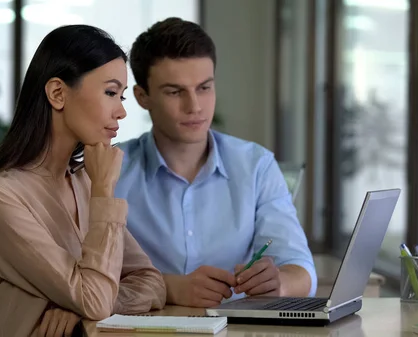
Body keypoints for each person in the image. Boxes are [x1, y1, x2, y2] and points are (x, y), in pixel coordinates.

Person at [0, 25, 166, 337]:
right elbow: (93, 300)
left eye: (121, 96)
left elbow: (150, 281)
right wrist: (105, 194)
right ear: (57, 93)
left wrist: (83, 305)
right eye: (110, 92)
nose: (120, 111)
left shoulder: (82, 182)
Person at [114, 17, 317, 308]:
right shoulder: (112, 171)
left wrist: (280, 282)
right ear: (142, 97)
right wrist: (170, 288)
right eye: (175, 92)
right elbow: (84, 275)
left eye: (204, 88)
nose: (194, 106)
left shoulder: (256, 166)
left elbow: (301, 268)